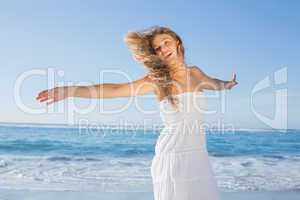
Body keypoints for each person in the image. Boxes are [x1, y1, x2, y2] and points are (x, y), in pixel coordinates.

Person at [36, 26, 237, 199]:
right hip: (173, 157)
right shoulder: (156, 80)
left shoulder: (195, 73)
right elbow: (115, 90)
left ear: (177, 42)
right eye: (157, 48)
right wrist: (70, 91)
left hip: (199, 157)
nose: (163, 49)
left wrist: (227, 84)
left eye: (166, 42)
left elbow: (213, 83)